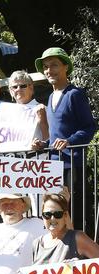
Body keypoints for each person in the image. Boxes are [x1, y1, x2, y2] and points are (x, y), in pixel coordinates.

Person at [34, 47, 96, 229]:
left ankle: (84, 251)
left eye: (54, 65)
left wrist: (70, 141)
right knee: (57, 210)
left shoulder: (75, 94)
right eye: (45, 66)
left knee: (76, 210)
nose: (49, 70)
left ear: (66, 67)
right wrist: (43, 144)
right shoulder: (51, 96)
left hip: (73, 165)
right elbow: (56, 135)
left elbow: (89, 127)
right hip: (54, 166)